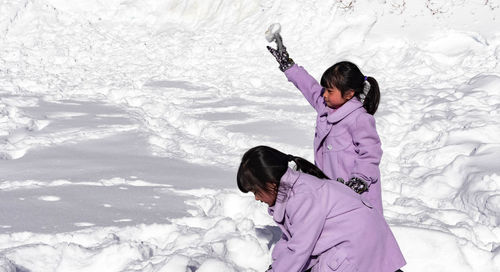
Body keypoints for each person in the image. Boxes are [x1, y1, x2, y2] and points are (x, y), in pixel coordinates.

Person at [237, 146, 406, 272]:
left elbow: (299, 249)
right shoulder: (293, 190)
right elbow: (292, 239)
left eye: (255, 191)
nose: (257, 198)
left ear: (271, 184)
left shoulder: (302, 196)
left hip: (358, 248)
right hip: (358, 243)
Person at [267, 33, 384, 212]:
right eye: (325, 90)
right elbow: (309, 86)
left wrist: (359, 180)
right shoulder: (325, 105)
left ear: (349, 93)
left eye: (329, 91)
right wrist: (287, 65)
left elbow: (371, 153)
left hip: (358, 196)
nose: (324, 95)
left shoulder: (359, 119)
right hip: (331, 192)